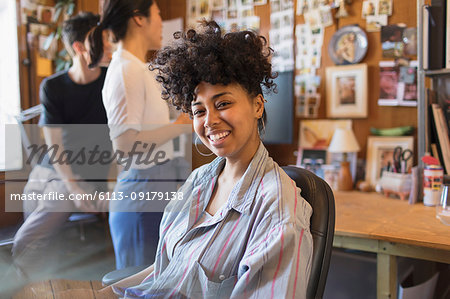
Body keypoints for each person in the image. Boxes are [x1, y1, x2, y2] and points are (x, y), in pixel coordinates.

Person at [101, 20, 313, 298]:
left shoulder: (279, 212)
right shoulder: (197, 182)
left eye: (223, 104)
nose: (210, 121)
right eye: (199, 111)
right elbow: (167, 273)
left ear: (257, 106)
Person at [88, 0, 192, 270]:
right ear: (139, 18)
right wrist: (180, 124)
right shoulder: (126, 71)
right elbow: (125, 145)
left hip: (154, 188)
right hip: (142, 196)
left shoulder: (137, 68)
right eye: (157, 14)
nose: (161, 22)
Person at [12, 12, 112, 276]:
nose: (110, 45)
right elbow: (54, 146)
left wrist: (79, 188)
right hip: (51, 171)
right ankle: (42, 284)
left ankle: (21, 283)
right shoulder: (53, 87)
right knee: (35, 212)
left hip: (84, 177)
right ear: (79, 48)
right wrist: (72, 186)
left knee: (28, 239)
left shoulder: (112, 80)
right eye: (102, 40)